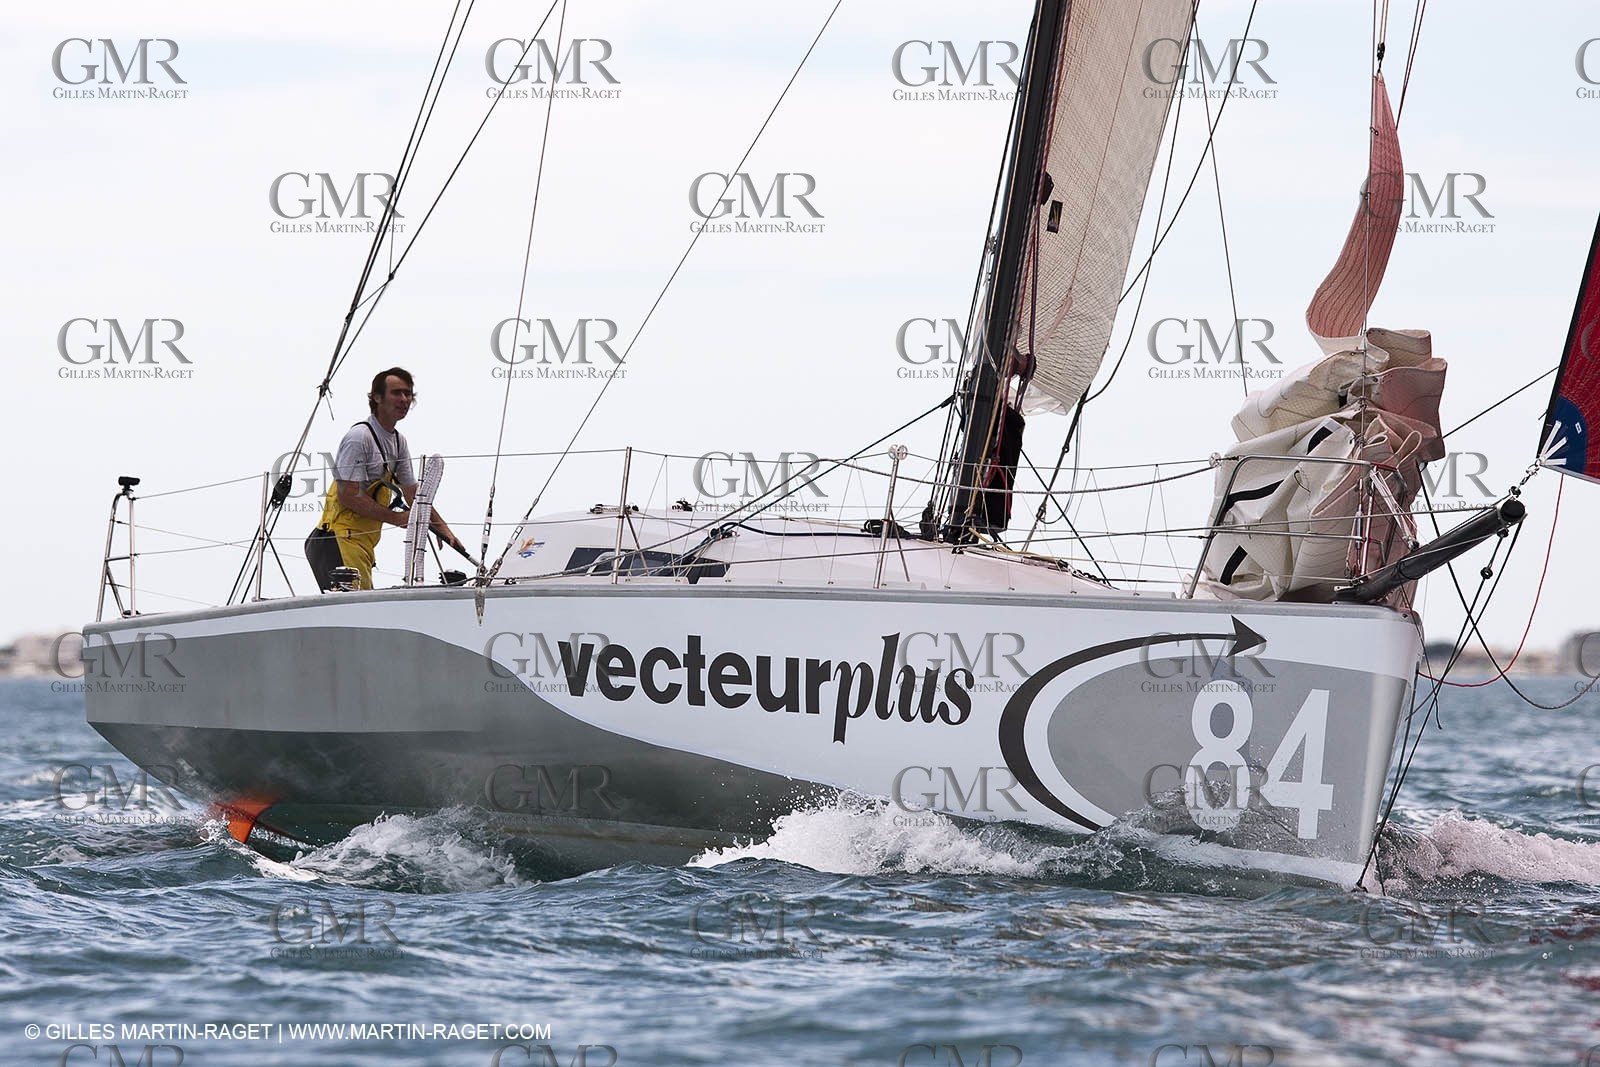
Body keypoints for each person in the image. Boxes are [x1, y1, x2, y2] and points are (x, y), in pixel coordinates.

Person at [305, 367, 467, 591]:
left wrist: (444, 530)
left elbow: (414, 495)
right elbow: (348, 496)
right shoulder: (359, 438)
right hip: (337, 540)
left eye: (408, 394)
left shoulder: (399, 443)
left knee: (364, 613)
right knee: (357, 614)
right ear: (377, 398)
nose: (404, 399)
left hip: (362, 545)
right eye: (397, 393)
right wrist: (397, 518)